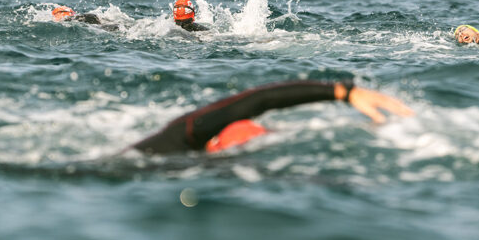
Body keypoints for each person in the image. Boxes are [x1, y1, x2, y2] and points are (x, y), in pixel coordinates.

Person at [131, 79, 414, 155]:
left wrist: (342, 92)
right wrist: (343, 91)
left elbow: (255, 101)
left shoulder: (175, 140)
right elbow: (259, 101)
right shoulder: (182, 139)